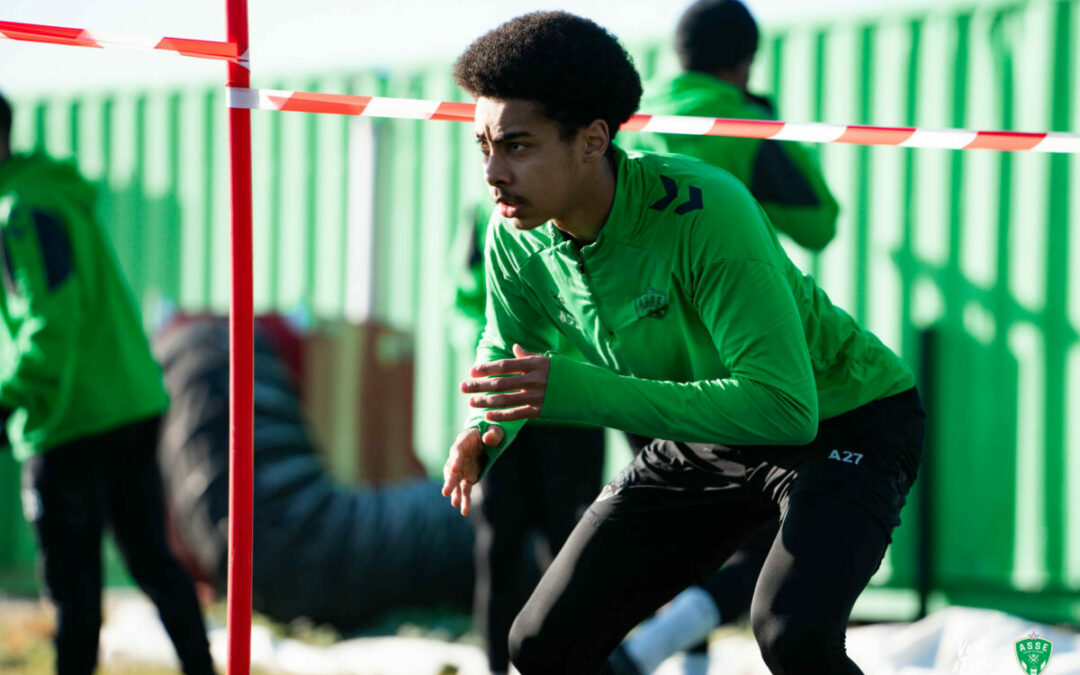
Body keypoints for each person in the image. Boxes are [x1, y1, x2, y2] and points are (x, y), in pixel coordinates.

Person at [440, 12, 924, 675]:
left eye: (517, 146)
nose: (493, 171)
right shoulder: (513, 236)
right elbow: (511, 341)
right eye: (484, 145)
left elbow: (786, 408)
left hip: (847, 419)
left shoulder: (707, 210)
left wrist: (583, 390)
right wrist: (484, 430)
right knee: (540, 643)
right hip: (710, 433)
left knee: (789, 629)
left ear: (592, 139)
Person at [611, 2, 842, 670]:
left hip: (633, 353)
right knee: (776, 525)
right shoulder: (740, 121)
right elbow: (819, 221)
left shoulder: (630, 119)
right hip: (725, 357)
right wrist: (765, 121)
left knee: (679, 526)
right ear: (743, 61)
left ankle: (682, 661)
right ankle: (646, 649)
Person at [0, 92, 215, 675]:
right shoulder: (52, 194)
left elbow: (52, 322)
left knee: (74, 591)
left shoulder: (21, 210)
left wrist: (9, 402)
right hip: (126, 404)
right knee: (151, 563)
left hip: (72, 417)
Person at [450, 207, 605, 675]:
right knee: (497, 547)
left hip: (574, 406)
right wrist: (491, 369)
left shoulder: (596, 204)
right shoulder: (487, 216)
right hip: (507, 409)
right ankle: (495, 666)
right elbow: (462, 300)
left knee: (570, 552)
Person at [632, 0, 838, 252]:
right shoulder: (746, 129)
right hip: (717, 287)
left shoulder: (630, 117)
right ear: (745, 61)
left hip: (634, 287)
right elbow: (818, 228)